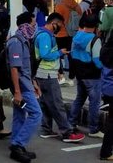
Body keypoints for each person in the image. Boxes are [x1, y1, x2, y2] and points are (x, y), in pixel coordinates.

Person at [34, 13, 85, 143]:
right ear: (53, 23)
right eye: (60, 25)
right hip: (47, 73)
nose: (60, 28)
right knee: (57, 104)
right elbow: (45, 55)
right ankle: (67, 132)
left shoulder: (41, 33)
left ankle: (46, 129)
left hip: (42, 73)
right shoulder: (45, 36)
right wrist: (59, 53)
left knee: (45, 103)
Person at [7, 12, 42, 163]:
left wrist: (34, 83)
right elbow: (14, 69)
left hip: (26, 84)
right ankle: (18, 144)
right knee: (36, 114)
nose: (35, 28)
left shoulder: (25, 40)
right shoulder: (16, 41)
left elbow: (26, 67)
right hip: (21, 86)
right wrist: (17, 92)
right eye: (33, 25)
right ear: (25, 25)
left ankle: (16, 144)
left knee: (20, 114)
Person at [69, 12, 104, 138]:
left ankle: (71, 123)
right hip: (93, 76)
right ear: (95, 26)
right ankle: (93, 129)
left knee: (79, 99)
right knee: (94, 102)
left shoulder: (76, 37)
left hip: (80, 74)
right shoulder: (95, 40)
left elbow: (72, 55)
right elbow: (97, 61)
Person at [54, 0, 82, 86]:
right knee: (71, 55)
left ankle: (61, 76)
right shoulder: (74, 4)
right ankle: (72, 77)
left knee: (58, 55)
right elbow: (80, 15)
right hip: (72, 33)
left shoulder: (59, 5)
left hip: (60, 34)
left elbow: (56, 20)